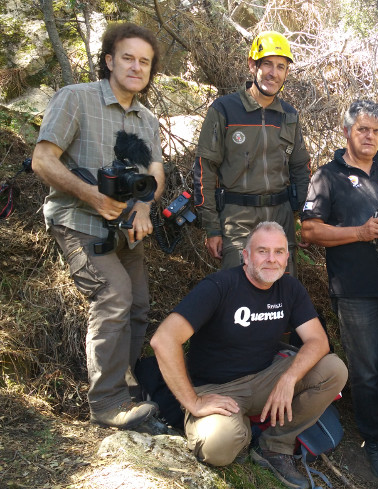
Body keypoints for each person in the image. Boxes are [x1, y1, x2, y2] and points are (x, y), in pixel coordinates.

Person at [31, 23, 165, 428]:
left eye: (144, 61)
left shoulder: (147, 119)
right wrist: (94, 197)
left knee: (139, 307)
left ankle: (123, 388)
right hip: (79, 222)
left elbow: (156, 173)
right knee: (115, 296)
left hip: (128, 228)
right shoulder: (77, 99)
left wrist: (143, 207)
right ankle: (105, 404)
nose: (136, 67)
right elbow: (42, 160)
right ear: (109, 60)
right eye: (127, 57)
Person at [150, 222, 347, 489]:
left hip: (267, 377)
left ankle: (276, 445)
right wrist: (194, 402)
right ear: (245, 255)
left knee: (334, 369)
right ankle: (240, 433)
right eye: (262, 251)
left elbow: (318, 341)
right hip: (218, 388)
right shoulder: (220, 286)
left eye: (278, 252)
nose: (271, 259)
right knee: (218, 446)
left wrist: (288, 380)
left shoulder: (289, 288)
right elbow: (163, 339)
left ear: (287, 258)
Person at [301, 100, 378, 485]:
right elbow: (310, 232)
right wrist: (359, 232)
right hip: (355, 292)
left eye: (376, 131)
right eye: (363, 129)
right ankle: (376, 440)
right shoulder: (328, 176)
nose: (369, 137)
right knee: (367, 372)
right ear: (348, 131)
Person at [193, 31, 310, 275]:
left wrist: (305, 218)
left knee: (283, 289)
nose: (273, 73)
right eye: (267, 64)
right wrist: (213, 229)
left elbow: (301, 167)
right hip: (237, 219)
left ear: (287, 72)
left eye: (281, 66)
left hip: (281, 217)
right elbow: (206, 170)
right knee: (238, 289)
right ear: (252, 65)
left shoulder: (289, 115)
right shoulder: (224, 109)